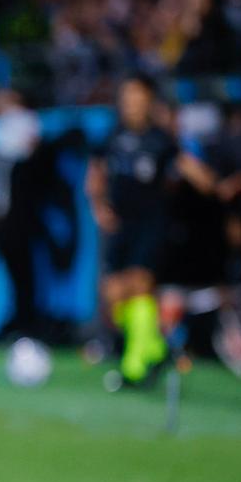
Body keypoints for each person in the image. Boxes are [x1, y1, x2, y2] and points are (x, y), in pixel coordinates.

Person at [87, 74, 212, 384]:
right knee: (114, 294)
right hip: (122, 225)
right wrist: (99, 206)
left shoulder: (160, 139)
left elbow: (186, 165)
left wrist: (213, 183)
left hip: (152, 224)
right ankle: (156, 349)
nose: (132, 102)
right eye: (127, 96)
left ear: (148, 101)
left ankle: (134, 367)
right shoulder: (111, 136)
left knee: (140, 284)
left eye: (138, 96)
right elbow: (96, 175)